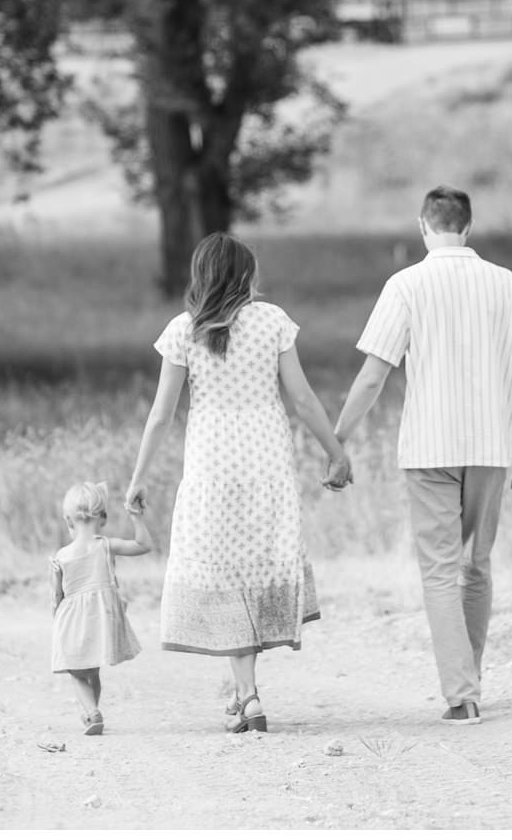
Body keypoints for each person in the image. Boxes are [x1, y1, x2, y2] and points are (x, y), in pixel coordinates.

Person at [126, 232, 354, 734]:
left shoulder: (183, 330)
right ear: (246, 276)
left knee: (225, 572)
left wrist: (139, 476)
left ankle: (246, 692)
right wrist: (335, 452)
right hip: (265, 460)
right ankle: (245, 690)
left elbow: (162, 413)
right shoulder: (272, 322)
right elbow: (302, 398)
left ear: (200, 276)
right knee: (255, 566)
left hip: (211, 463)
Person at [334, 185, 512, 725]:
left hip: (430, 445)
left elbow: (374, 373)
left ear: (423, 227)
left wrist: (337, 439)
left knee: (439, 571)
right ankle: (467, 681)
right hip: (492, 445)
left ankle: (462, 694)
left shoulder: (405, 284)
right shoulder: (504, 283)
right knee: (475, 565)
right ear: (468, 228)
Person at [50, 480, 155, 735]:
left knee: (75, 671)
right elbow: (144, 545)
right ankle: (92, 712)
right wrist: (136, 517)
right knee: (93, 671)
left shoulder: (61, 557)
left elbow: (56, 597)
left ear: (68, 521)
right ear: (103, 518)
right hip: (101, 621)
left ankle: (91, 712)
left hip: (73, 621)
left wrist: (56, 624)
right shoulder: (107, 546)